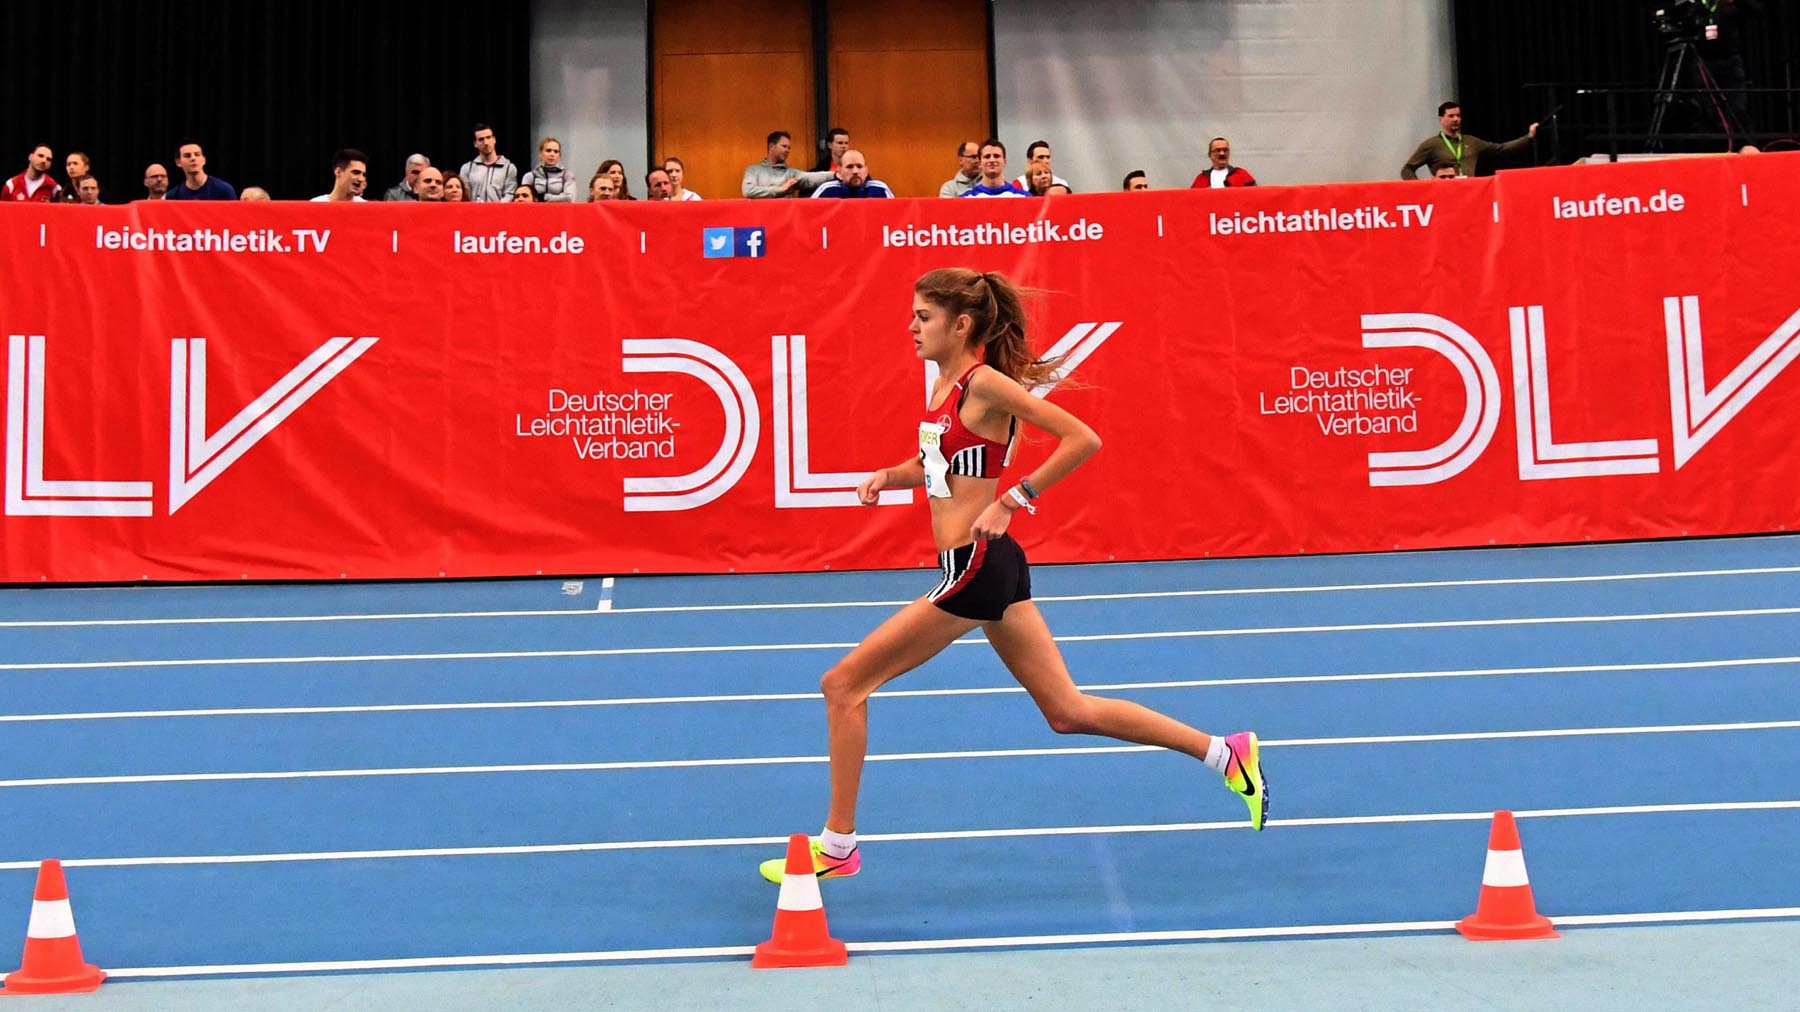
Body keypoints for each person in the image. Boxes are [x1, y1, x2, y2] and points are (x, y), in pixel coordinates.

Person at [756, 267, 1268, 884]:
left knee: (843, 686)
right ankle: (1224, 753)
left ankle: (838, 847)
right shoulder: (946, 386)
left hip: (975, 567)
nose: (910, 326)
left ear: (960, 324)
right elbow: (938, 462)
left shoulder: (986, 383)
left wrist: (1013, 498)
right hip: (986, 566)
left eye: (923, 317)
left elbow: (1082, 438)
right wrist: (888, 477)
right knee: (1067, 711)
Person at [1402, 102, 1535, 179]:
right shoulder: (1431, 144)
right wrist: (1420, 189)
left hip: (1470, 193)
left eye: (1458, 116)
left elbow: (1501, 149)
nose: (1456, 119)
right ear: (1441, 119)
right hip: (1444, 195)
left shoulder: (1472, 142)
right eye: (1451, 116)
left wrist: (1528, 137)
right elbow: (1407, 169)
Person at [743, 130, 831, 198]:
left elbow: (811, 178)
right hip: (761, 219)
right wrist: (780, 189)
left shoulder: (791, 174)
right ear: (771, 146)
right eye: (784, 146)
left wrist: (835, 175)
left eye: (789, 148)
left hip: (784, 219)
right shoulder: (753, 170)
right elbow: (748, 191)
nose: (787, 150)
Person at [459, 123, 518, 202]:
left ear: (494, 139)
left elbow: (510, 194)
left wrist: (496, 209)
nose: (486, 142)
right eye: (481, 139)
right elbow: (465, 196)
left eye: (488, 137)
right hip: (474, 212)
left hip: (499, 212)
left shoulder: (509, 168)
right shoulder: (467, 168)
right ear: (475, 144)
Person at [165, 140, 237, 200]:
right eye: (187, 155)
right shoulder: (173, 196)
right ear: (178, 162)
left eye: (197, 154)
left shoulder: (224, 190)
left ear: (203, 160)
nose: (193, 158)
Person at [809, 149, 893, 198]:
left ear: (866, 171)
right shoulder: (826, 190)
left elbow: (897, 218)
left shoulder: (880, 190)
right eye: (849, 167)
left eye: (859, 166)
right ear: (839, 172)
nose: (855, 171)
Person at [959, 139, 1028, 197]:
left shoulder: (1023, 197)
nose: (992, 160)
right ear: (979, 163)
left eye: (996, 156)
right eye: (987, 156)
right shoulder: (966, 199)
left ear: (1004, 162)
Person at [522, 138, 577, 202]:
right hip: (535, 211)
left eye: (556, 151)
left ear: (559, 155)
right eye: (548, 150)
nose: (552, 154)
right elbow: (524, 199)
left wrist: (544, 197)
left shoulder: (567, 175)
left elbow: (569, 198)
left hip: (560, 211)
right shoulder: (530, 176)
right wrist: (560, 197)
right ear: (540, 154)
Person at [1191, 138, 1257, 188]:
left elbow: (1254, 197)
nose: (1222, 153)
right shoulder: (1201, 179)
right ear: (1209, 155)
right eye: (1218, 150)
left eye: (1225, 150)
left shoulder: (1242, 175)